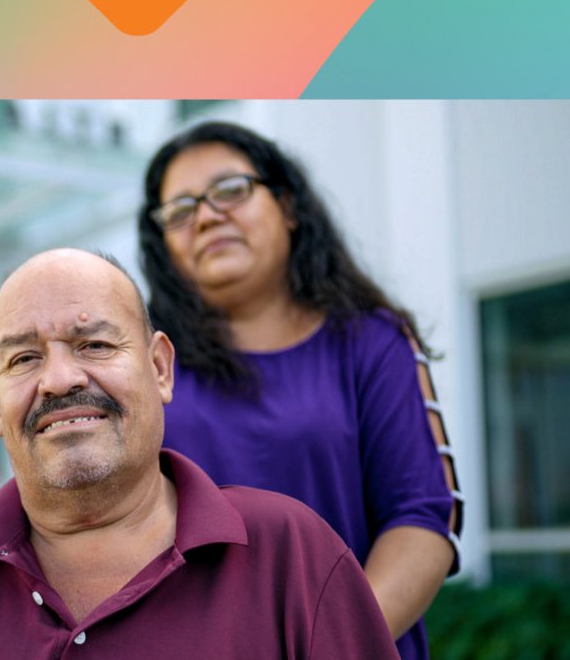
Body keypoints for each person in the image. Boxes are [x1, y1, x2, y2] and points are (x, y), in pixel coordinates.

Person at [0, 248, 400, 660]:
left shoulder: (292, 555)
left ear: (159, 369)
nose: (58, 379)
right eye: (24, 359)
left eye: (94, 345)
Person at [138, 121, 459, 660]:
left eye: (231, 190)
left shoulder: (373, 341)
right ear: (165, 246)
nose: (208, 215)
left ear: (288, 206)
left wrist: (329, 643)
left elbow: (420, 519)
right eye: (181, 210)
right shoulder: (146, 366)